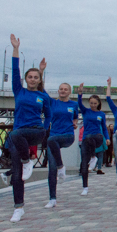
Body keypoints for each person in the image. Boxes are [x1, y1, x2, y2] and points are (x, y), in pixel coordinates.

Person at [6, 34, 51, 222]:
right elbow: (15, 70)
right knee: (17, 175)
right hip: (19, 137)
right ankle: (18, 208)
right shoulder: (19, 91)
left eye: (36, 77)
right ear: (25, 79)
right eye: (29, 77)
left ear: (39, 80)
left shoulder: (43, 96)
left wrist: (45, 129)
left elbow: (49, 115)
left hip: (36, 132)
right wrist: (15, 49)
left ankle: (26, 161)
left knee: (15, 134)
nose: (32, 79)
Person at [43, 79, 78, 208]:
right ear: (58, 91)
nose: (63, 91)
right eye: (61, 89)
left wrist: (75, 123)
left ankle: (61, 166)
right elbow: (42, 90)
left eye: (65, 89)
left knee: (51, 140)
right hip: (54, 137)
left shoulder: (74, 104)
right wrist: (41, 72)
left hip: (67, 136)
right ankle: (52, 198)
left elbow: (75, 117)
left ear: (69, 92)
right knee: (51, 169)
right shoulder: (52, 102)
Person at [76, 84, 110, 197]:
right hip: (86, 140)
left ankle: (94, 156)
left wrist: (107, 138)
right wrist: (80, 94)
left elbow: (104, 128)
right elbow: (79, 103)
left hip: (98, 138)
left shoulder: (101, 114)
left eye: (95, 103)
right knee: (84, 164)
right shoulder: (85, 111)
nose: (93, 105)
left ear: (98, 103)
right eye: (91, 103)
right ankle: (85, 187)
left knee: (91, 136)